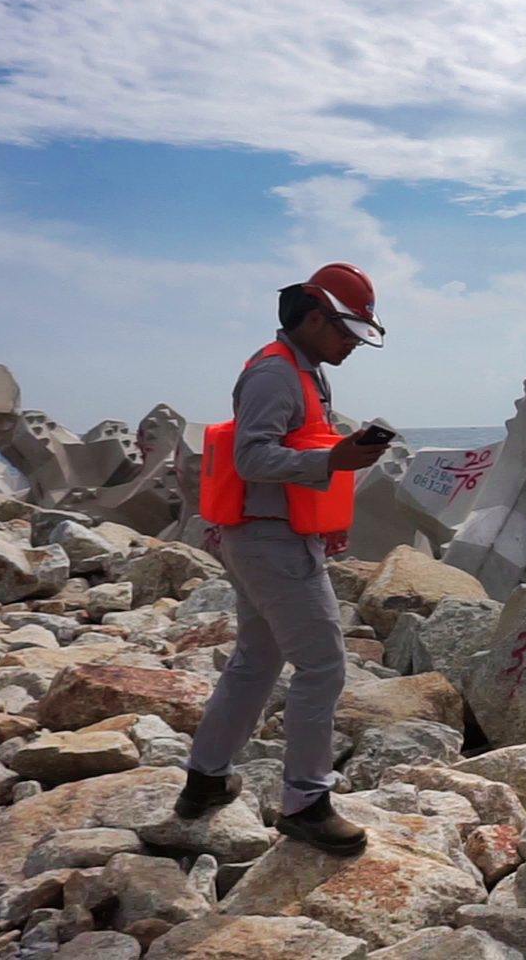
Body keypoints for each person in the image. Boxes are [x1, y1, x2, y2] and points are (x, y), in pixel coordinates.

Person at [172, 263, 392, 856]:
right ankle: (305, 803)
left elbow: (303, 454)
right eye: (347, 330)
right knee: (322, 666)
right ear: (315, 317)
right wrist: (335, 465)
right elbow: (252, 458)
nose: (352, 343)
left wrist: (326, 518)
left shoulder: (304, 371)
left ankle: (205, 780)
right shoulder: (275, 373)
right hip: (270, 542)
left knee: (256, 660)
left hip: (270, 534)